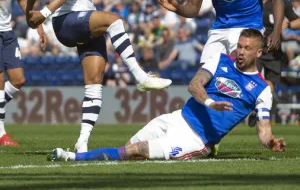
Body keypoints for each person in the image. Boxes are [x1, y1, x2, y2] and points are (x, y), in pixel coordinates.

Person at [26, 0, 171, 153]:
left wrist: (43, 11)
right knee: (115, 20)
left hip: (84, 20)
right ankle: (140, 77)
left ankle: (82, 141)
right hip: (64, 24)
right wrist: (32, 13)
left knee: (94, 82)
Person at [51, 29, 286, 162]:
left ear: (259, 51)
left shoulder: (262, 89)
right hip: (177, 118)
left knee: (138, 150)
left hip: (196, 140)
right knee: (130, 149)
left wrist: (270, 143)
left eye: (247, 48)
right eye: (240, 46)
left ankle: (72, 157)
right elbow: (194, 85)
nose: (241, 52)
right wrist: (211, 102)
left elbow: (263, 130)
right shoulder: (221, 60)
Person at [0, 0, 45, 146]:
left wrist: (38, 24)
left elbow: (22, 0)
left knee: (18, 80)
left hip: (7, 34)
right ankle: (1, 134)